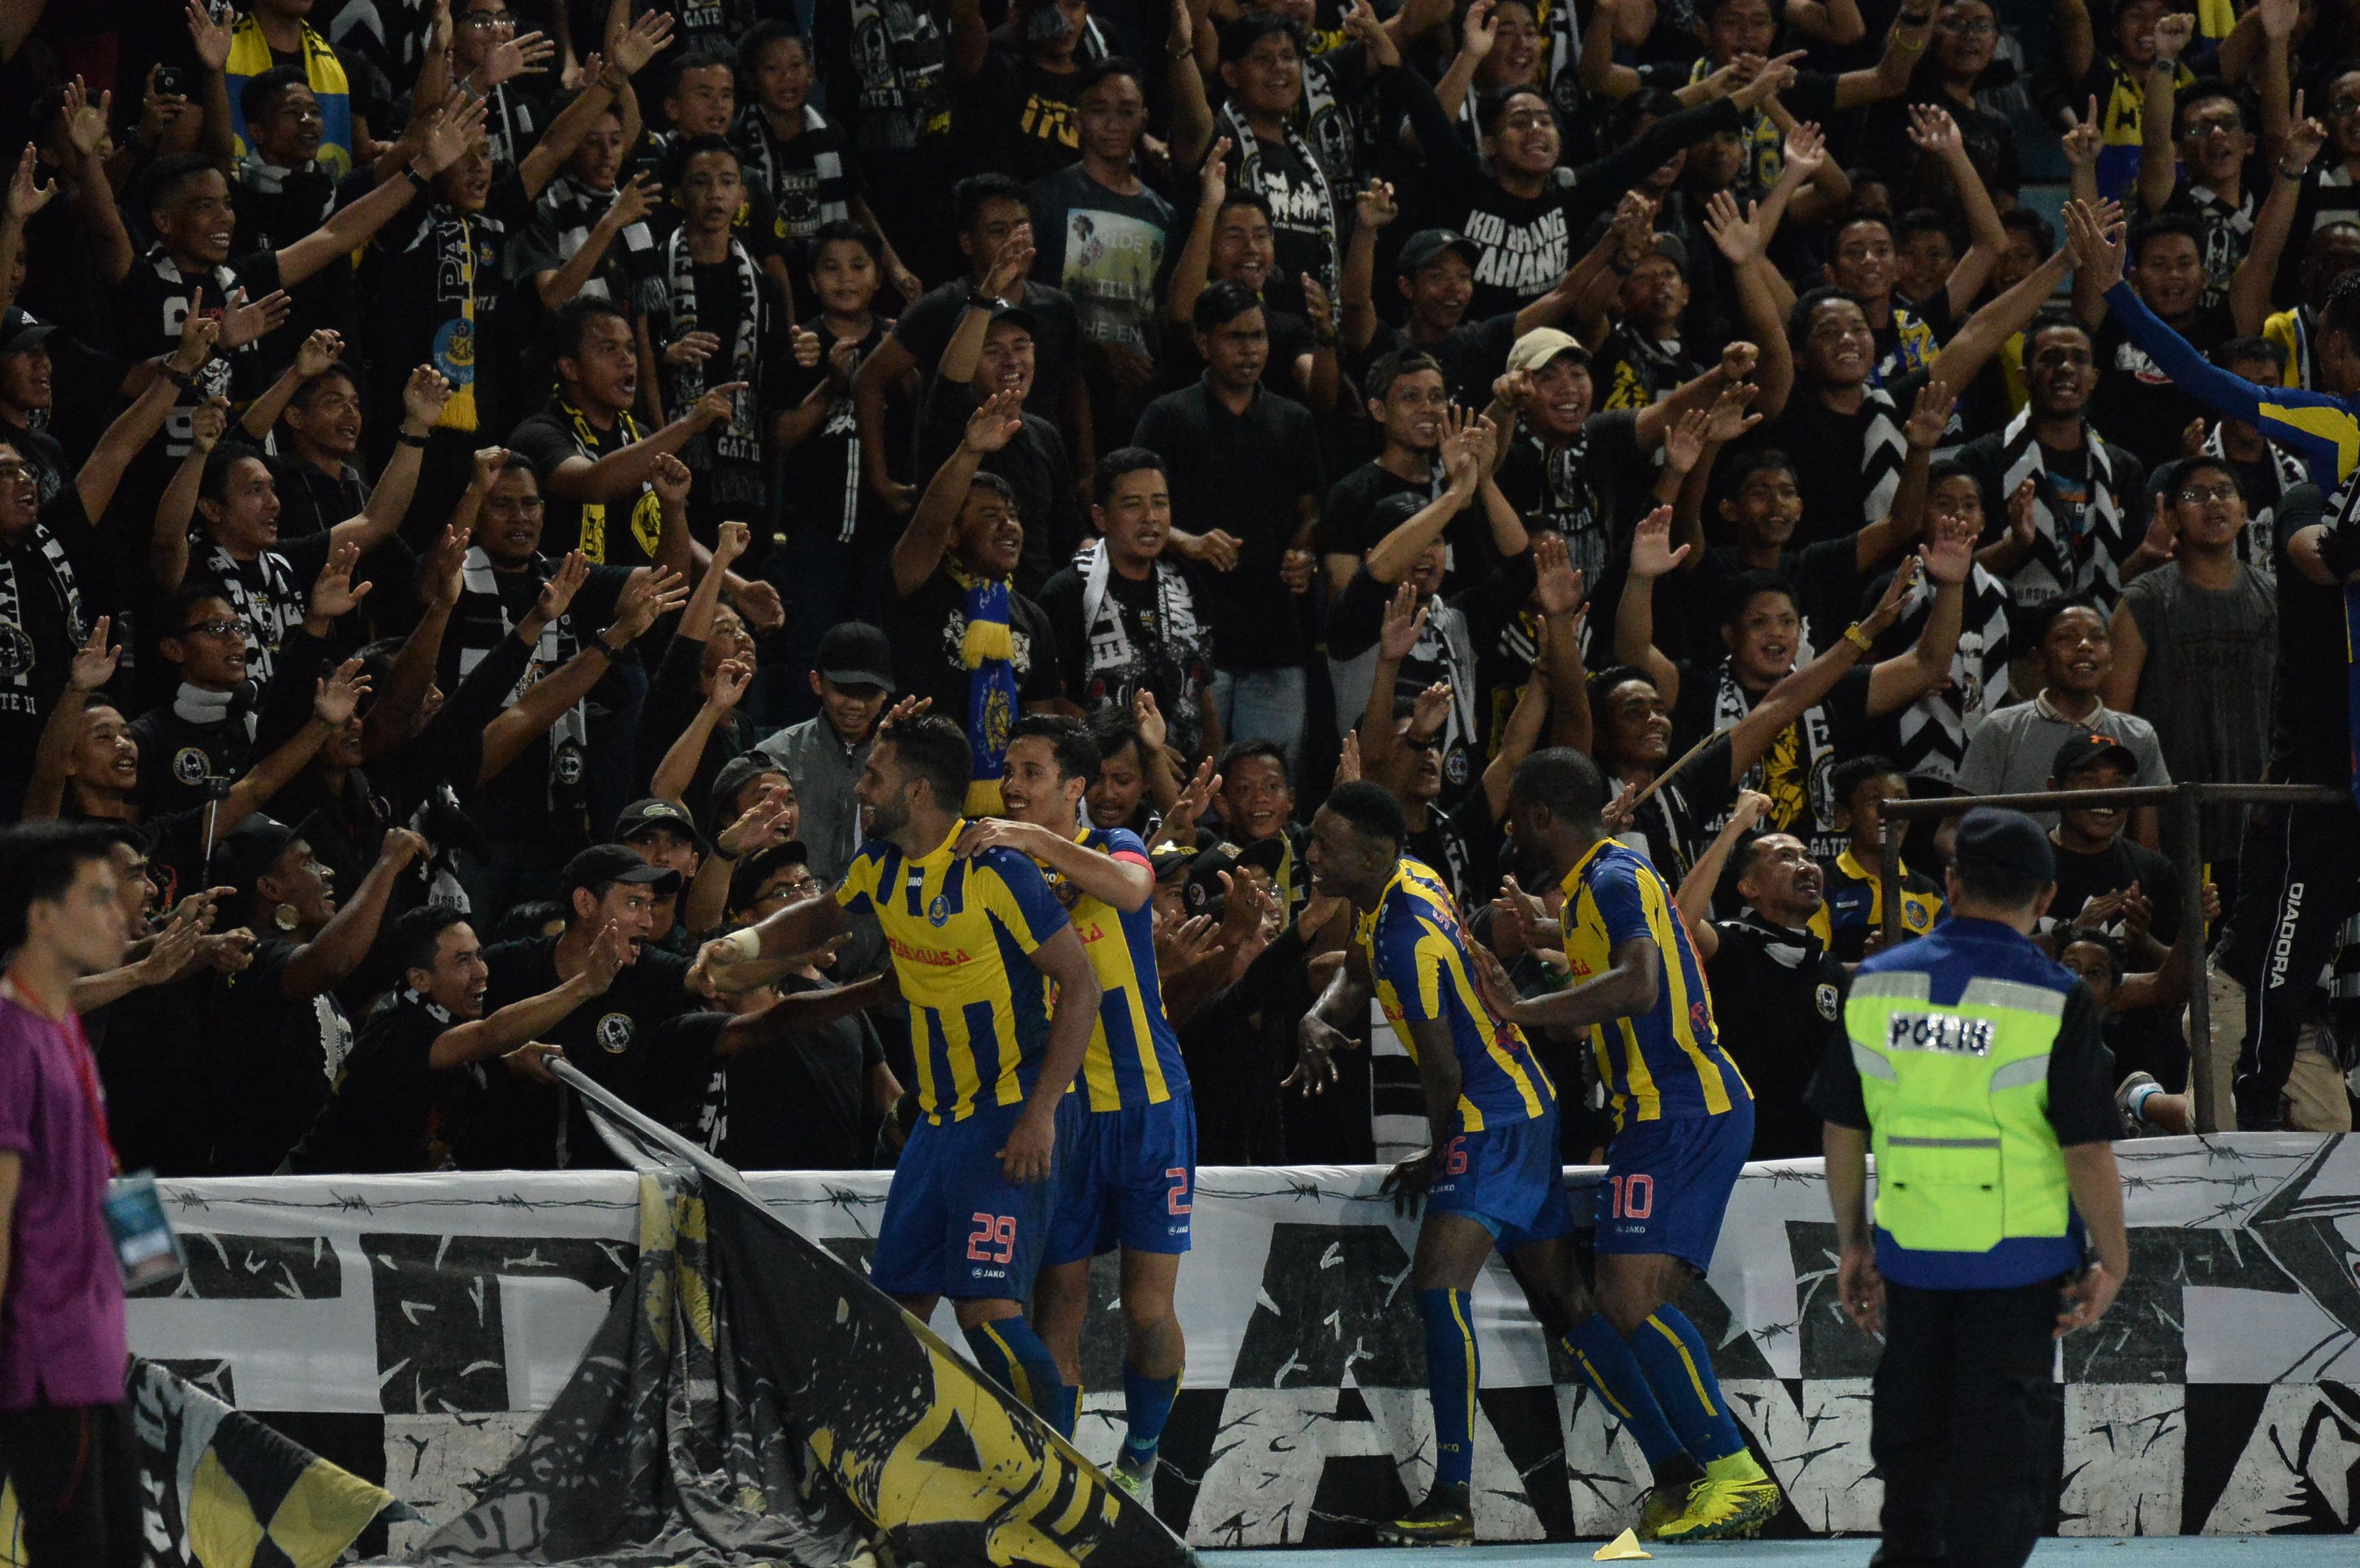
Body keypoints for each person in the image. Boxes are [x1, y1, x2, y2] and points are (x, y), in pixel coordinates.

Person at [1299, 780, 1727, 1544]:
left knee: (1438, 1287)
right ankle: (1673, 1466)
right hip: (1523, 1105)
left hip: (1489, 1117)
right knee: (1565, 1300)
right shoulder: (1407, 882)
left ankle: (1452, 1498)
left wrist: (1439, 1150)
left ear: (1369, 852)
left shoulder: (1409, 935)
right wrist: (1318, 1010)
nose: (1312, 854)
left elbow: (1439, 1066)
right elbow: (1355, 966)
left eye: (1325, 844)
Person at [690, 714, 1101, 1425]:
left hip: (1007, 1111)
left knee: (988, 1310)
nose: (858, 790)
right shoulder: (879, 867)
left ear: (915, 792)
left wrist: (1041, 1112)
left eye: (873, 777)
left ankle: (1066, 1480)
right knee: (897, 1311)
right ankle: (888, 1473)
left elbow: (1082, 985)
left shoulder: (993, 868)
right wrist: (741, 944)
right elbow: (822, 917)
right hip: (934, 1123)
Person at [1469, 748, 1783, 1538]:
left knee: (1628, 1301)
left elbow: (1640, 983)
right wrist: (1540, 931)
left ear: (1542, 817)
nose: (1508, 829)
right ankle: (1690, 1475)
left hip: (1680, 1107)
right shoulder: (1590, 892)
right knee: (1628, 1304)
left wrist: (1520, 1009)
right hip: (1655, 1114)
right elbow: (1600, 979)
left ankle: (1734, 1472)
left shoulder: (1611, 878)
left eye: (1514, 816)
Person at [1809, 807, 2131, 1568]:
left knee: (1914, 1461)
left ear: (1950, 884)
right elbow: (2084, 1147)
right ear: (2046, 897)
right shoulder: (2056, 995)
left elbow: (1843, 1129)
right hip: (2016, 1265)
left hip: (1913, 1254)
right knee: (1998, 1470)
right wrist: (2112, 1260)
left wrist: (1854, 1241)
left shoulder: (1876, 984)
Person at [958, 714, 1193, 1495]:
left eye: (1030, 772)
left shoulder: (1117, 848)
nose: (1013, 786)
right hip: (1066, 1112)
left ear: (1075, 788)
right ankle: (1059, 1488)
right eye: (1009, 771)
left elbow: (1132, 888)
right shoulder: (1001, 868)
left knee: (1146, 1309)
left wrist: (1031, 840)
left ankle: (1142, 1458)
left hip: (1152, 1106)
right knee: (1058, 1301)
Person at [0, 822, 139, 1567]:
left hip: (91, 1347)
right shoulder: (7, 1034)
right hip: (45, 1354)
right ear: (42, 914)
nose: (122, 916)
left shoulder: (65, 1028)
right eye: (99, 897)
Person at [284, 904, 586, 1173]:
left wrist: (511, 1062)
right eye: (463, 961)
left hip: (374, 1203)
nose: (481, 972)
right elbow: (489, 1035)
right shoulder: (400, 1028)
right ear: (420, 979)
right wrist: (585, 985)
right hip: (308, 1205)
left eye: (479, 955)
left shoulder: (435, 1014)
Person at [1674, 791, 1851, 1162]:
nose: (1806, 866)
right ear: (1749, 888)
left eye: (1808, 857)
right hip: (1740, 1156)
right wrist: (1736, 827)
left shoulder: (1828, 967)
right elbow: (1680, 924)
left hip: (1813, 1159)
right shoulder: (1731, 944)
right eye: (1786, 858)